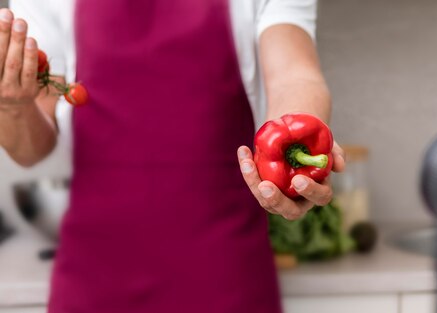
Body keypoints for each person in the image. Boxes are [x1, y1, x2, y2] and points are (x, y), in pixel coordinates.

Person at [0, 0, 344, 312]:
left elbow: (294, 74)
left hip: (225, 277)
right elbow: (33, 151)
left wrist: (297, 140)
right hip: (93, 280)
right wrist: (13, 107)